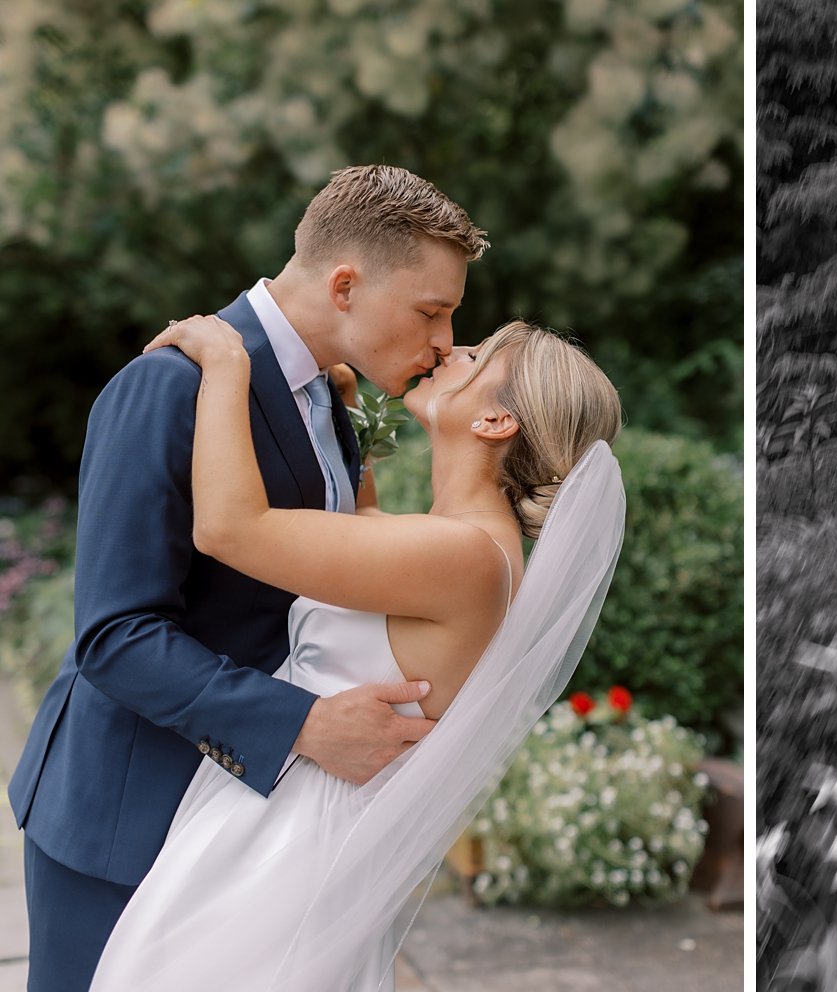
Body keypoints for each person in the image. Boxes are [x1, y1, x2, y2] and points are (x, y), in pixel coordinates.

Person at [8, 164, 489, 991]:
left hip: (240, 829)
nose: (444, 341)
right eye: (432, 311)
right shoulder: (170, 385)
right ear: (346, 284)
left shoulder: (331, 402)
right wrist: (304, 725)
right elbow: (115, 638)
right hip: (127, 818)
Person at [90, 313, 625, 990]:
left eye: (479, 355)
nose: (453, 349)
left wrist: (228, 367)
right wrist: (341, 412)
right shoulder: (465, 543)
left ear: (495, 422)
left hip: (287, 848)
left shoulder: (463, 557)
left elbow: (229, 529)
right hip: (290, 821)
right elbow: (361, 525)